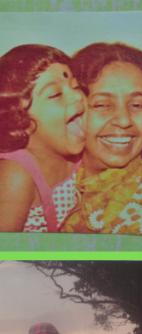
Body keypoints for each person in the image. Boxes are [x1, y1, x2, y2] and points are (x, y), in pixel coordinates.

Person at [61, 42, 142, 235]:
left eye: (137, 105)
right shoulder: (46, 175)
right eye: (102, 105)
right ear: (74, 113)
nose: (124, 120)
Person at [0, 44, 84, 232]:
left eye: (76, 86)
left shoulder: (81, 152)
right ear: (19, 118)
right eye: (55, 94)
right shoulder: (15, 175)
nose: (76, 96)